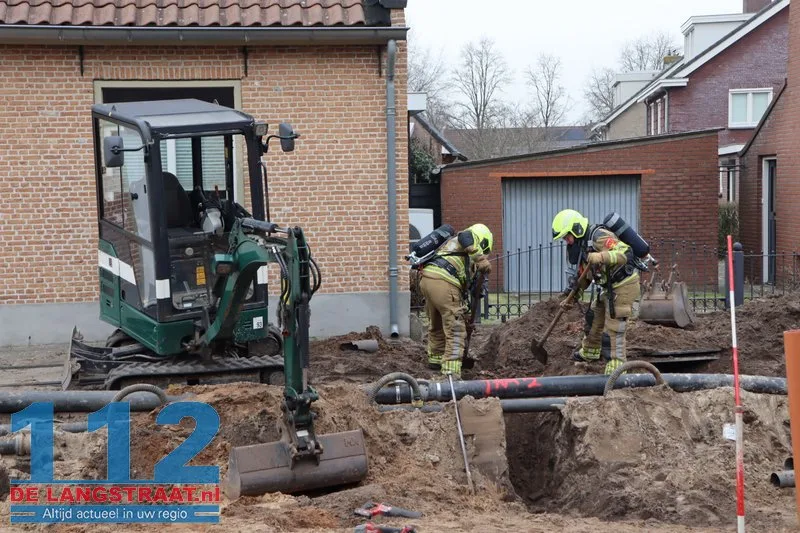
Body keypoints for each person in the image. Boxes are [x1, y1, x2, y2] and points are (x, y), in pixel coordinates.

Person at [551, 209, 641, 375]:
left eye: (567, 236)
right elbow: (584, 276)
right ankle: (591, 350)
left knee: (614, 323)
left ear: (576, 229)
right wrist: (573, 296)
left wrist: (601, 256)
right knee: (593, 316)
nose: (566, 241)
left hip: (624, 283)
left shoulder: (599, 236)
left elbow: (625, 253)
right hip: (608, 286)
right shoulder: (583, 246)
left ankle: (617, 363)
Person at [419, 223, 493, 379]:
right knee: (455, 329)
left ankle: (436, 358)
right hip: (444, 282)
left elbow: (471, 289)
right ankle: (451, 371)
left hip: (427, 279)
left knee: (437, 323)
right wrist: (479, 258)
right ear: (483, 241)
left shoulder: (453, 248)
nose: (484, 254)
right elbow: (464, 235)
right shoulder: (467, 238)